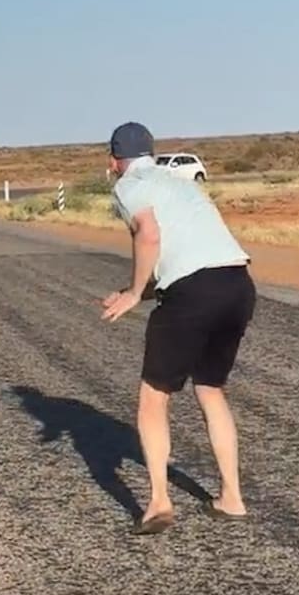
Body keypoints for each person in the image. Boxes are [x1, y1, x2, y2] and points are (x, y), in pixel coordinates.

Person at [99, 121, 256, 536]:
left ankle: (158, 503)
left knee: (154, 397)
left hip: (194, 293)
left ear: (115, 161)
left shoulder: (129, 185)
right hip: (237, 284)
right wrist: (137, 290)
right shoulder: (181, 183)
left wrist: (134, 292)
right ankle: (232, 498)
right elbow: (189, 260)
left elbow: (148, 236)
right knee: (210, 387)